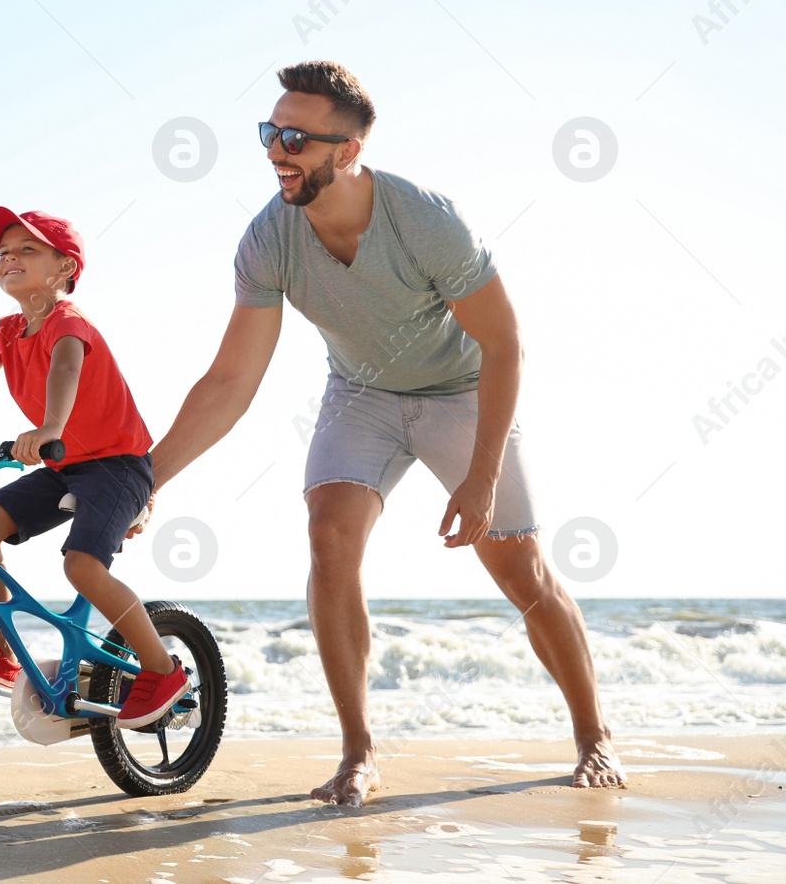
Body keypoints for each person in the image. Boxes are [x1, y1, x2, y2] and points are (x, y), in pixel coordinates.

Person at [147, 60, 627, 803]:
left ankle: (594, 736)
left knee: (521, 572)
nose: (278, 150)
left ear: (347, 151)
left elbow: (504, 343)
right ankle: (358, 751)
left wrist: (482, 475)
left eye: (297, 138)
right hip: (361, 394)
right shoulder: (269, 238)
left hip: (462, 391)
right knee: (328, 534)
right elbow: (230, 381)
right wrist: (146, 476)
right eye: (270, 132)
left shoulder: (424, 219)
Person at [0, 207, 187, 728]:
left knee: (81, 566)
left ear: (65, 268)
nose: (9, 258)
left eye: (27, 249)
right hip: (65, 466)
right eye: (3, 252)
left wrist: (49, 427)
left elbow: (67, 366)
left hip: (117, 466)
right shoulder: (9, 331)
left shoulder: (68, 321)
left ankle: (161, 669)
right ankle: (0, 652)